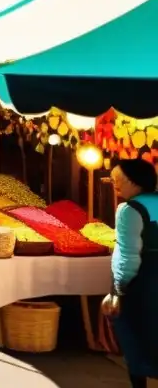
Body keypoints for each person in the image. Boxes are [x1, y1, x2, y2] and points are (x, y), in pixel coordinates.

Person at [102, 159, 158, 388]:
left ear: (136, 181)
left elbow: (127, 257)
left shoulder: (129, 209)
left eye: (119, 179)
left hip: (146, 286)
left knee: (138, 344)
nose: (115, 183)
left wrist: (117, 290)